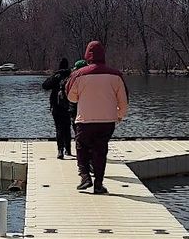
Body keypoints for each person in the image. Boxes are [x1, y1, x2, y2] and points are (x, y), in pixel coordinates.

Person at [66, 41, 128, 195]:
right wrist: (118, 116)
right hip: (107, 121)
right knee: (101, 151)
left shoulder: (78, 74)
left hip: (85, 120)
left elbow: (71, 98)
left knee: (81, 148)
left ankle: (85, 177)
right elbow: (124, 101)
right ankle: (99, 184)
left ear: (87, 55)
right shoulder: (115, 75)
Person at [41, 58, 75, 159]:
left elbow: (45, 86)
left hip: (56, 106)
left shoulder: (56, 76)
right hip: (69, 106)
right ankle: (68, 149)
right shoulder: (71, 76)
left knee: (59, 128)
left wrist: (54, 76)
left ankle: (60, 150)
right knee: (67, 128)